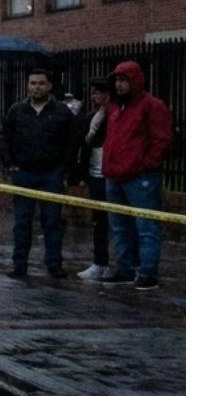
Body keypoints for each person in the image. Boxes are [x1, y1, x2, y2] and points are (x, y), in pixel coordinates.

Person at [100, 60, 174, 290]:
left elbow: (161, 139)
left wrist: (146, 164)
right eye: (117, 81)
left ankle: (147, 272)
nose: (120, 85)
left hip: (139, 176)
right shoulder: (115, 107)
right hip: (115, 174)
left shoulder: (151, 106)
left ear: (135, 81)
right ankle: (126, 268)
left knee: (146, 227)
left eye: (124, 80)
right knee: (120, 225)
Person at [0, 68, 79, 279]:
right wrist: (10, 164)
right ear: (27, 85)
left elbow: (72, 142)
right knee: (22, 221)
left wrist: (64, 169)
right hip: (23, 172)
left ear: (49, 86)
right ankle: (19, 264)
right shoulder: (17, 110)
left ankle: (54, 264)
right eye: (33, 83)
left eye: (41, 83)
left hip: (51, 173)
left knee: (52, 221)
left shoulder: (62, 112)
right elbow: (4, 138)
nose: (37, 87)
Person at [76, 78, 114, 281]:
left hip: (113, 173)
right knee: (99, 220)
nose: (94, 97)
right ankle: (100, 262)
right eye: (93, 93)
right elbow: (84, 145)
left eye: (98, 92)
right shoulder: (92, 117)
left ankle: (127, 264)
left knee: (118, 220)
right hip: (95, 173)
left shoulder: (115, 115)